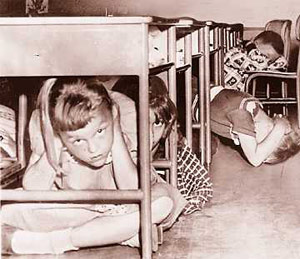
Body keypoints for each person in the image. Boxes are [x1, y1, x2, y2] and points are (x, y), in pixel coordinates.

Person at [1, 77, 187, 255]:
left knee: (162, 202)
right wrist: (57, 142)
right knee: (10, 211)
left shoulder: (118, 126)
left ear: (112, 116)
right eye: (79, 140)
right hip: (77, 211)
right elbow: (34, 188)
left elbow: (132, 188)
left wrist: (115, 131)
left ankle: (53, 242)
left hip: (122, 206)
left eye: (99, 131)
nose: (93, 148)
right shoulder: (53, 136)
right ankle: (122, 233)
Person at [114, 76, 213, 216]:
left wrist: (180, 207)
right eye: (139, 123)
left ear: (167, 124)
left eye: (157, 123)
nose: (149, 133)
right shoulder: (115, 148)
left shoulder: (175, 148)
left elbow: (204, 186)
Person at [194, 85, 300, 167]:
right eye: (262, 144)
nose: (257, 145)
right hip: (188, 99)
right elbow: (255, 159)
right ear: (269, 129)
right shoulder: (243, 116)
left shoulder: (254, 107)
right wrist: (280, 128)